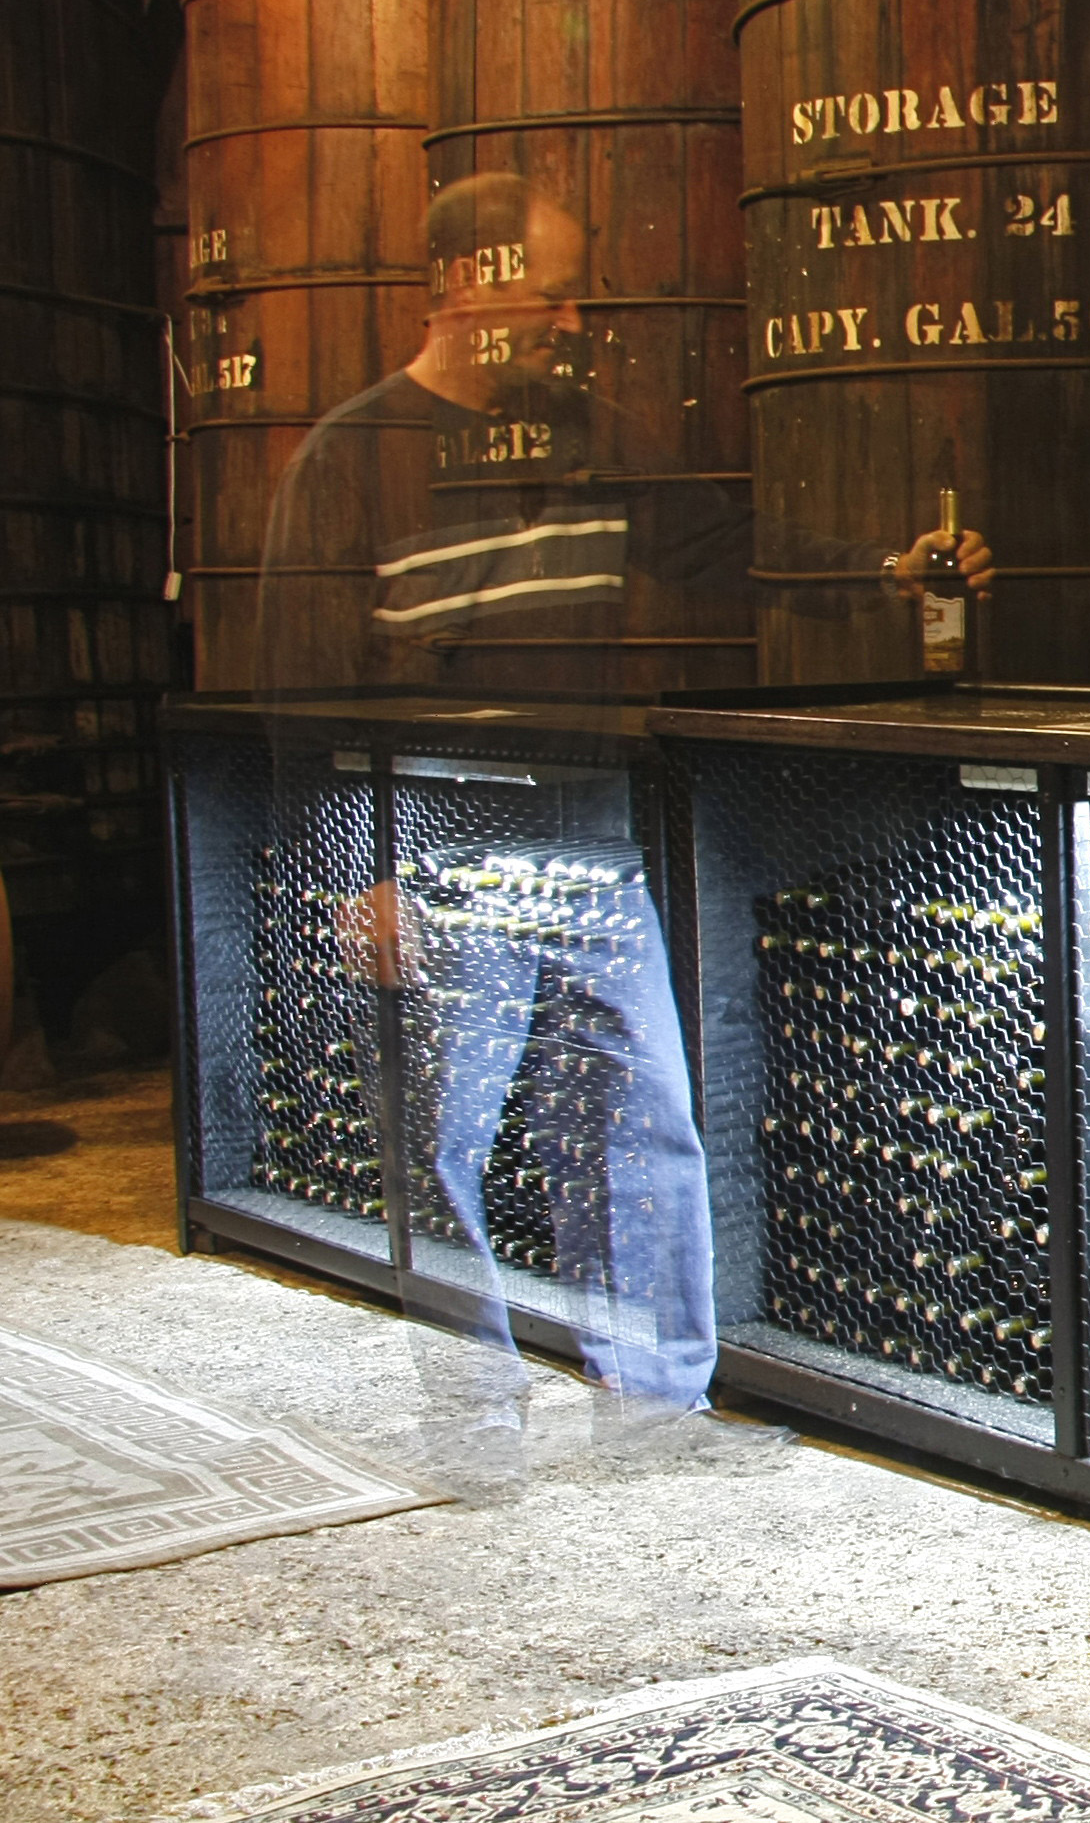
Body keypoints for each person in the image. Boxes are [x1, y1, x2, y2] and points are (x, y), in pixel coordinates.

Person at [262, 171, 996, 1417]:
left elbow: (719, 549)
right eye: (554, 293)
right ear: (467, 285)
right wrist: (357, 873)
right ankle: (474, 1414)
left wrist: (888, 568)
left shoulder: (591, 437)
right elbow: (296, 676)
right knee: (440, 1146)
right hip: (444, 842)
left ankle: (656, 1404)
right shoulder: (359, 455)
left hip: (587, 830)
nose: (571, 321)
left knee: (642, 1129)